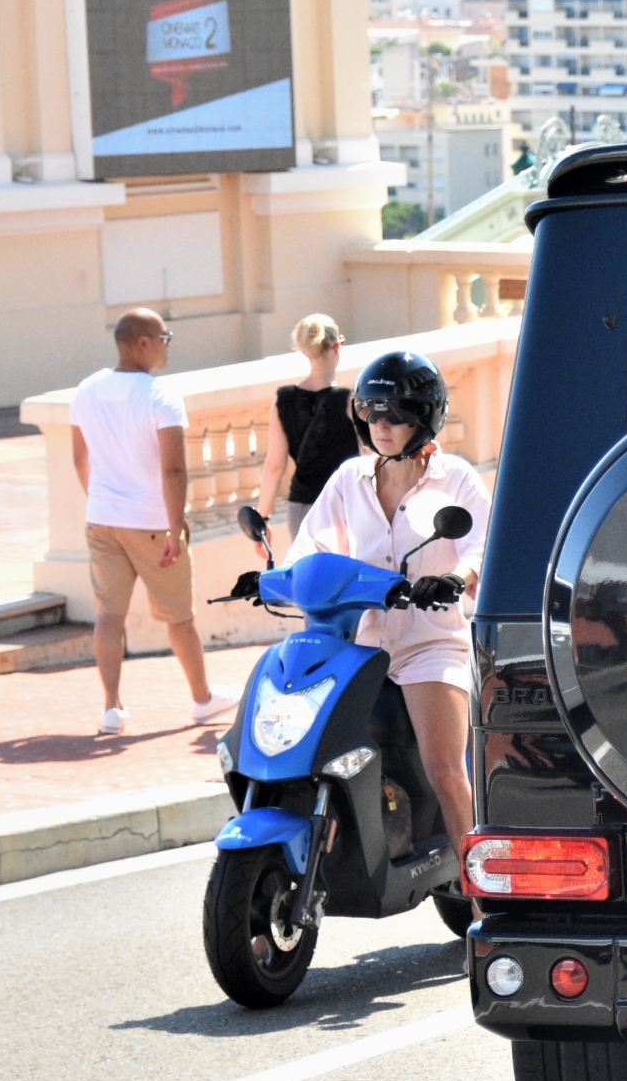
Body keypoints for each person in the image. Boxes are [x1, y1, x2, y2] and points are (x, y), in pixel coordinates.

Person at [278, 351, 490, 851]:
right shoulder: (350, 479)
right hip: (359, 649)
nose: (381, 423)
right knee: (311, 760)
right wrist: (271, 578)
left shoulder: (455, 478)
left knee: (445, 770)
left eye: (394, 412)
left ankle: (484, 899)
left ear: (423, 416)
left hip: (429, 646)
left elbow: (482, 543)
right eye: (370, 411)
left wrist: (456, 579)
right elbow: (311, 548)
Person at [71, 310, 239, 735]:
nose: (168, 343)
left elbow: (80, 458)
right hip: (148, 521)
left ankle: (112, 708)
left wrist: (102, 501)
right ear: (143, 342)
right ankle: (201, 699)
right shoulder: (159, 396)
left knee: (108, 616)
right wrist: (174, 525)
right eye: (165, 336)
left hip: (102, 519)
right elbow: (173, 471)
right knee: (179, 616)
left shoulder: (87, 390)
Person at [257, 314, 361, 545]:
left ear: (305, 351)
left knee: (309, 576)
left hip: (301, 508)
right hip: (342, 505)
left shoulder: (283, 400)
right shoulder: (348, 401)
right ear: (336, 347)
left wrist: (262, 518)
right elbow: (371, 456)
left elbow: (275, 465)